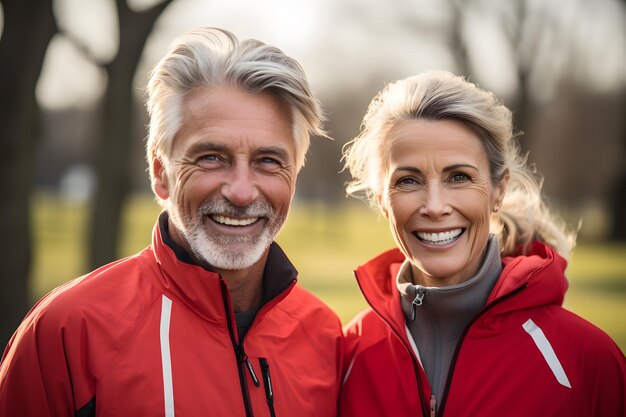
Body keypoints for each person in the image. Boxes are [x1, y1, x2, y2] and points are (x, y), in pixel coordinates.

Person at [0, 27, 343, 417]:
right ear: (161, 174)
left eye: (268, 161)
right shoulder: (68, 332)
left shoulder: (327, 337)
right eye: (212, 157)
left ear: (294, 176)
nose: (242, 192)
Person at [338, 70, 625, 417]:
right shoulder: (347, 354)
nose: (434, 206)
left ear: (498, 189)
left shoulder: (585, 360)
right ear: (383, 200)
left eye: (459, 177)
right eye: (409, 180)